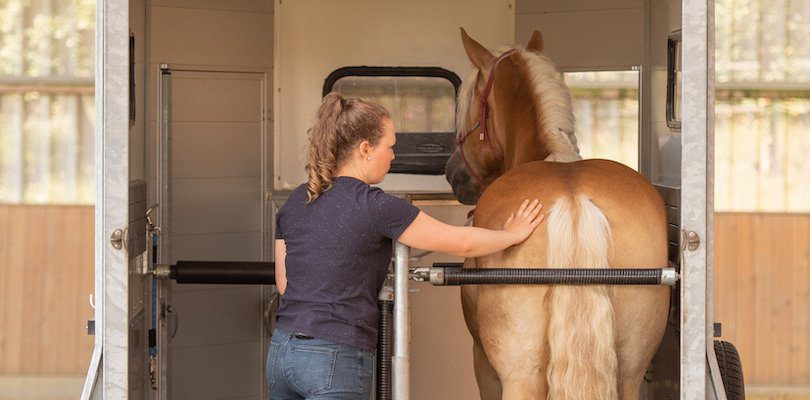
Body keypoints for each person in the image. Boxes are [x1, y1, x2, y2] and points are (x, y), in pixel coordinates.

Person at [267, 92, 544, 400]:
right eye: (391, 146)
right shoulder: (376, 207)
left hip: (282, 352)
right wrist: (513, 234)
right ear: (365, 149)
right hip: (335, 355)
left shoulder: (297, 199)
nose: (393, 156)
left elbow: (285, 284)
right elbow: (461, 241)